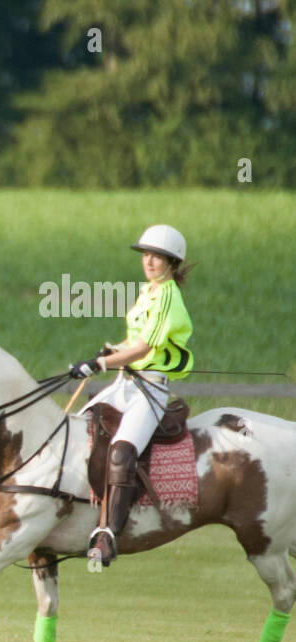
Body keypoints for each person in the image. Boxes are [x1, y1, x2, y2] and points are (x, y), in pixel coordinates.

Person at [70, 224, 195, 565]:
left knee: (123, 451)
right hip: (126, 384)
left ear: (172, 261)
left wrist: (100, 363)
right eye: (146, 255)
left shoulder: (168, 295)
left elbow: (141, 350)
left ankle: (108, 532)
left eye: (157, 256)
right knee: (80, 427)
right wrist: (110, 350)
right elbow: (131, 342)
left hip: (149, 390)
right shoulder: (148, 291)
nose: (149, 261)